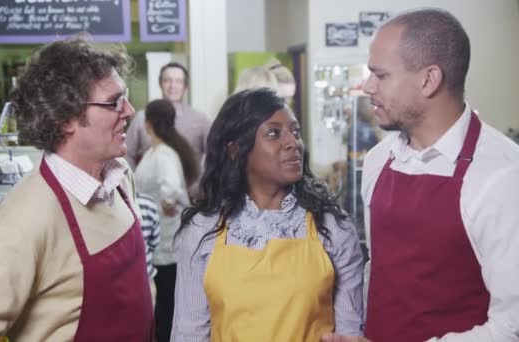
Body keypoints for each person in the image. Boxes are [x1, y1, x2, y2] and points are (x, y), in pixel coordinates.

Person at [327, 8, 519, 342]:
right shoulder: (379, 162)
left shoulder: (508, 179)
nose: (368, 87)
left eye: (381, 75)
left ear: (429, 79)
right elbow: (382, 273)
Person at [0, 36, 155, 341]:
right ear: (66, 118)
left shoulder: (121, 178)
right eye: (114, 102)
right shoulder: (23, 219)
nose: (129, 111)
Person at [171, 88, 365, 341]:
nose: (293, 143)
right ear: (235, 150)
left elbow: (350, 332)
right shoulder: (202, 231)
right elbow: (189, 333)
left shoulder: (331, 227)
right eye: (274, 134)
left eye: (295, 132)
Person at [133, 99, 199, 342]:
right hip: (161, 242)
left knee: (166, 309)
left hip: (167, 243)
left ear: (147, 123)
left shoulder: (163, 154)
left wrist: (167, 203)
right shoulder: (157, 152)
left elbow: (170, 187)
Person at [124, 62, 210, 174]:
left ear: (185, 86)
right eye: (167, 80)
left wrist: (201, 183)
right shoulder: (142, 118)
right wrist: (136, 182)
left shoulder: (200, 120)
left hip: (192, 190)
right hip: (150, 189)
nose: (172, 86)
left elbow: (213, 153)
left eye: (178, 81)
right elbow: (126, 153)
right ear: (160, 84)